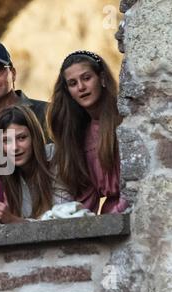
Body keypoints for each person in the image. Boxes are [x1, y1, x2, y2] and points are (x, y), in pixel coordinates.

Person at [46, 50, 129, 214]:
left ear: (102, 78)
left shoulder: (125, 120)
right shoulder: (79, 135)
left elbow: (135, 186)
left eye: (86, 78)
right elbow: (86, 198)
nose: (81, 87)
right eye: (72, 83)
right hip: (106, 220)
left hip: (131, 213)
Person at [0, 105, 72, 225]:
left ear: (34, 137)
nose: (15, 148)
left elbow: (65, 222)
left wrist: (13, 220)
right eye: (7, 141)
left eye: (21, 138)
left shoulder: (56, 161)